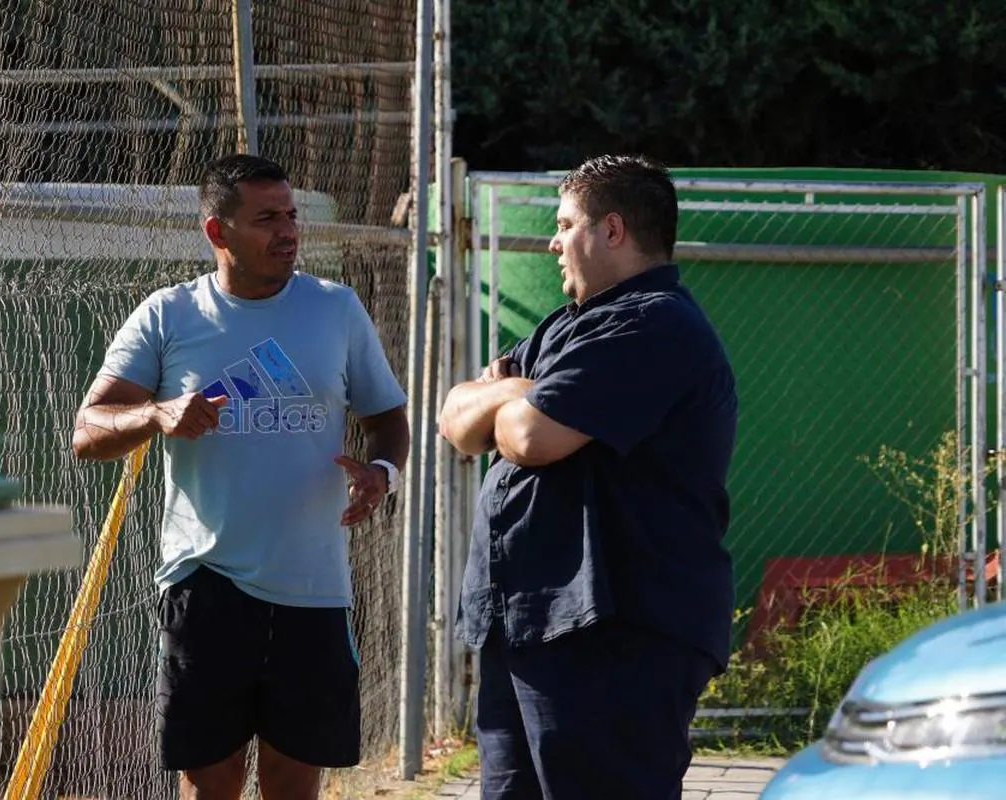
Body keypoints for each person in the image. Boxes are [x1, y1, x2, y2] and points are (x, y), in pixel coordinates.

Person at [71, 154, 410, 800]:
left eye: (290, 216)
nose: (287, 232)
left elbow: (388, 419)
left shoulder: (335, 310)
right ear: (217, 232)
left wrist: (381, 472)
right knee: (212, 780)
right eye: (266, 219)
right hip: (208, 584)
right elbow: (87, 432)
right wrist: (157, 413)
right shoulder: (169, 316)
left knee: (292, 780)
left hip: (313, 587)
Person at [438, 154, 737, 800]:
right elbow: (457, 420)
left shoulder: (653, 323)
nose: (552, 240)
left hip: (612, 637)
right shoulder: (566, 328)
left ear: (613, 230)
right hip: (529, 623)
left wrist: (514, 402)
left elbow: (528, 437)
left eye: (565, 223)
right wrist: (525, 389)